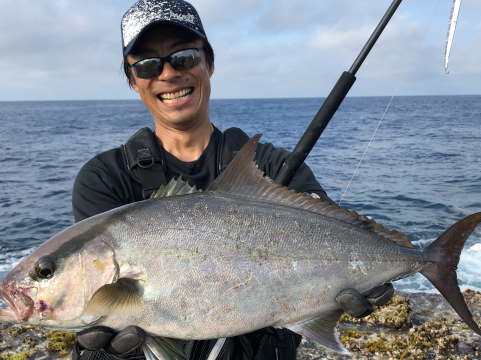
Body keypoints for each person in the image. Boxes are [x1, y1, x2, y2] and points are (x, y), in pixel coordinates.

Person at [71, 0, 394, 359]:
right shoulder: (105, 178)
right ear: (133, 80)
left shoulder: (271, 166)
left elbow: (329, 235)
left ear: (208, 62)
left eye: (183, 57)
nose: (168, 74)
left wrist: (368, 268)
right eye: (148, 64)